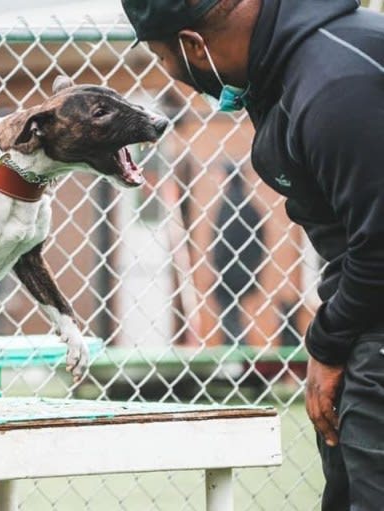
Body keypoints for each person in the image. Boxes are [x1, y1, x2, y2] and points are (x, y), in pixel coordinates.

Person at [120, 0, 383, 508]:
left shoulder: (334, 85)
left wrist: (327, 345)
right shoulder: (287, 68)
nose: (171, 76)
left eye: (161, 56)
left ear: (195, 45)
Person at [212, 162, 264, 345]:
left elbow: (222, 241)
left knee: (229, 313)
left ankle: (236, 349)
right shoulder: (249, 205)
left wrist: (218, 265)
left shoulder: (228, 205)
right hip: (246, 268)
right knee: (234, 312)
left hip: (230, 269)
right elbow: (261, 237)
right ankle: (239, 348)